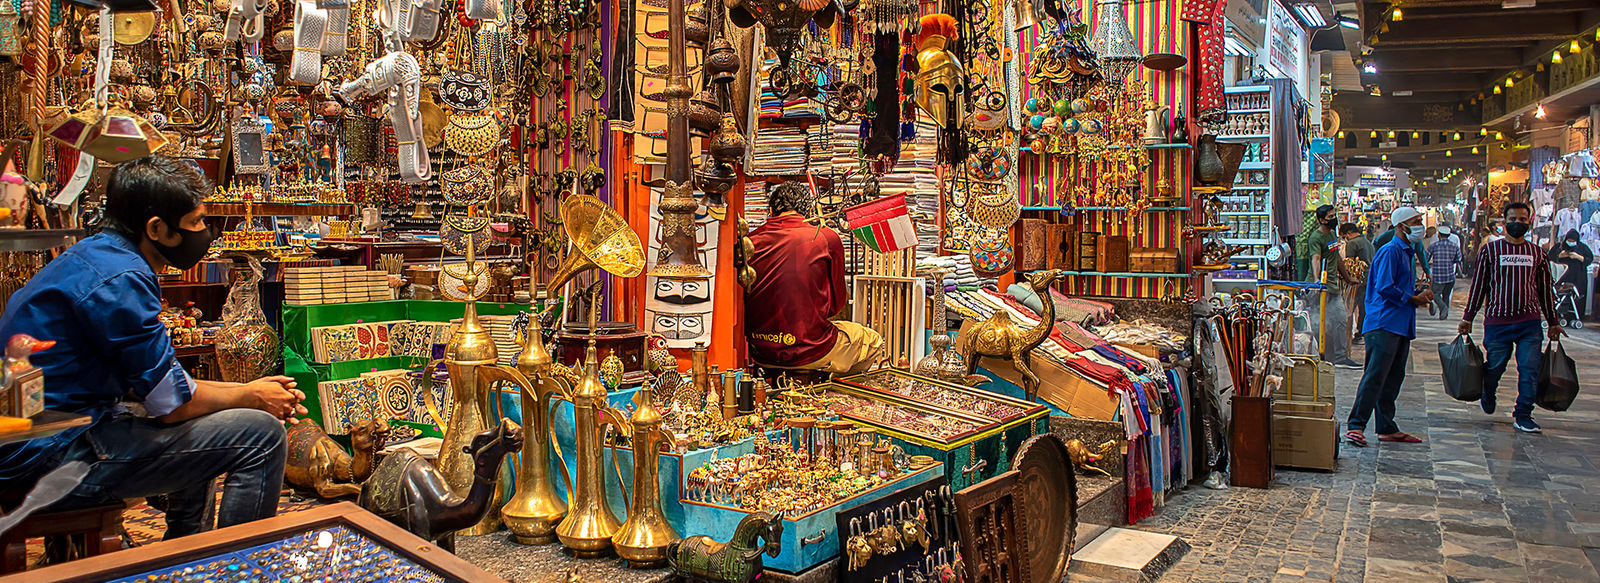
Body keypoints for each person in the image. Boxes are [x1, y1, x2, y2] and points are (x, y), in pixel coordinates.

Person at [0, 156, 307, 538]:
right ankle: (235, 565)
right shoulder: (122, 279)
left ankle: (184, 547)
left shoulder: (96, 256)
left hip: (46, 438)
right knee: (260, 435)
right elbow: (171, 406)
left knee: (217, 418)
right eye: (195, 223)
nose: (202, 233)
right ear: (157, 228)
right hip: (51, 455)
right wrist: (252, 397)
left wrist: (255, 391)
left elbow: (158, 386)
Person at [744, 181, 885, 374]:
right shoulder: (825, 237)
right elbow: (836, 305)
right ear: (809, 211)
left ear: (770, 211)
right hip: (811, 350)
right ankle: (836, 396)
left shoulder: (750, 242)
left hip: (761, 352)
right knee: (873, 341)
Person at [1460, 202, 1563, 434]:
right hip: (1498, 322)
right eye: (1513, 219)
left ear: (1530, 222)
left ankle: (1523, 414)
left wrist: (1553, 321)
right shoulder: (1490, 251)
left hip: (1530, 323)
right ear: (1504, 222)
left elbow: (1545, 290)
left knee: (1530, 368)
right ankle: (1488, 389)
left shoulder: (1537, 253)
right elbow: (1479, 287)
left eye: (1523, 220)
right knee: (1495, 366)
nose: (1517, 223)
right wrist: (1468, 317)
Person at [1345, 206, 1433, 447]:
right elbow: (1385, 287)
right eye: (1416, 221)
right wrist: (1413, 298)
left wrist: (1419, 293)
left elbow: (1398, 286)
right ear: (1401, 225)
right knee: (1375, 375)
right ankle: (1356, 425)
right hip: (1384, 322)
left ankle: (1386, 426)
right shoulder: (1390, 251)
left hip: (1400, 323)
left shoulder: (1407, 252)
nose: (1419, 226)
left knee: (1393, 376)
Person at [1305, 205, 1357, 367]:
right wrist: (1317, 281)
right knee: (1318, 323)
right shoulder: (1316, 237)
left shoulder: (1332, 235)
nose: (1334, 219)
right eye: (1330, 217)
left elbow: (1337, 259)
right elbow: (1316, 259)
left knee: (1341, 320)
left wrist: (1348, 278)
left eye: (1335, 215)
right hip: (1320, 288)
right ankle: (1317, 356)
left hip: (1332, 286)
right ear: (1321, 220)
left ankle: (1340, 357)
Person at [1548, 229, 1593, 319]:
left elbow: (1589, 259)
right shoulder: (1559, 247)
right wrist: (1560, 256)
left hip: (1578, 277)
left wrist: (1578, 257)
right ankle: (1559, 315)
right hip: (1563, 277)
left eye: (1573, 241)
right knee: (1560, 296)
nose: (1571, 243)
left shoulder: (1583, 248)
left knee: (1576, 297)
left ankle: (1575, 316)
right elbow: (1549, 257)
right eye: (1569, 241)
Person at [1340, 223, 1374, 344]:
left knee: (1349, 308)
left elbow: (1349, 263)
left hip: (1357, 280)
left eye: (1345, 236)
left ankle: (1347, 336)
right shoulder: (1367, 242)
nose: (1345, 239)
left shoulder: (1353, 243)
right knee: (1363, 308)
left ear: (1348, 233)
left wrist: (1348, 278)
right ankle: (1361, 333)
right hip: (1368, 279)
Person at [1427, 226, 1462, 319]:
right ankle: (1444, 315)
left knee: (1435, 294)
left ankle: (1443, 308)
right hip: (1450, 275)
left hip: (1438, 276)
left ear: (1439, 235)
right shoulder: (1455, 246)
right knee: (1446, 295)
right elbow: (1458, 259)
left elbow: (1426, 258)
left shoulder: (1433, 246)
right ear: (1449, 235)